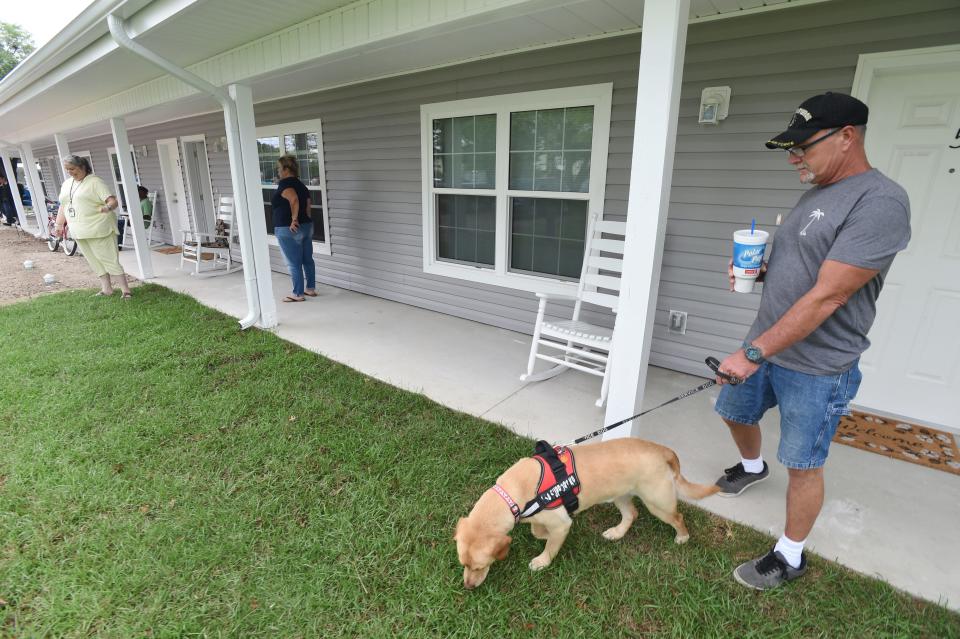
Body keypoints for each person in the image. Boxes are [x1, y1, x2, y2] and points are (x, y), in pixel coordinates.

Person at [711, 93, 910, 590]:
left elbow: (828, 297)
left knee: (802, 463)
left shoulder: (880, 201)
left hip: (819, 364)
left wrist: (754, 353)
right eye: (790, 148)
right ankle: (752, 467)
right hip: (766, 346)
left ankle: (790, 555)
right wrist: (755, 274)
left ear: (847, 136)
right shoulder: (815, 193)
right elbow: (798, 270)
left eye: (803, 146)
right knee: (734, 410)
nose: (793, 156)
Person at [55, 155, 134, 298]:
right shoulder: (67, 184)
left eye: (72, 169)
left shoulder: (95, 182)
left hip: (99, 228)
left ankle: (126, 291)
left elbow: (113, 201)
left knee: (109, 259)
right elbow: (64, 205)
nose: (70, 172)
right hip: (78, 230)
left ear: (82, 166)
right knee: (94, 260)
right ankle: (107, 289)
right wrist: (59, 224)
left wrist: (107, 208)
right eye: (67, 170)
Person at [271, 154, 316, 302]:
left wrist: (294, 219)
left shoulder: (285, 184)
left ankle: (298, 294)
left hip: (289, 229)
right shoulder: (301, 185)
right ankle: (310, 289)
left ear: (286, 169)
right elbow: (308, 204)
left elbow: (294, 199)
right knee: (307, 260)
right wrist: (306, 220)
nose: (278, 172)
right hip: (306, 226)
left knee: (293, 263)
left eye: (279, 168)